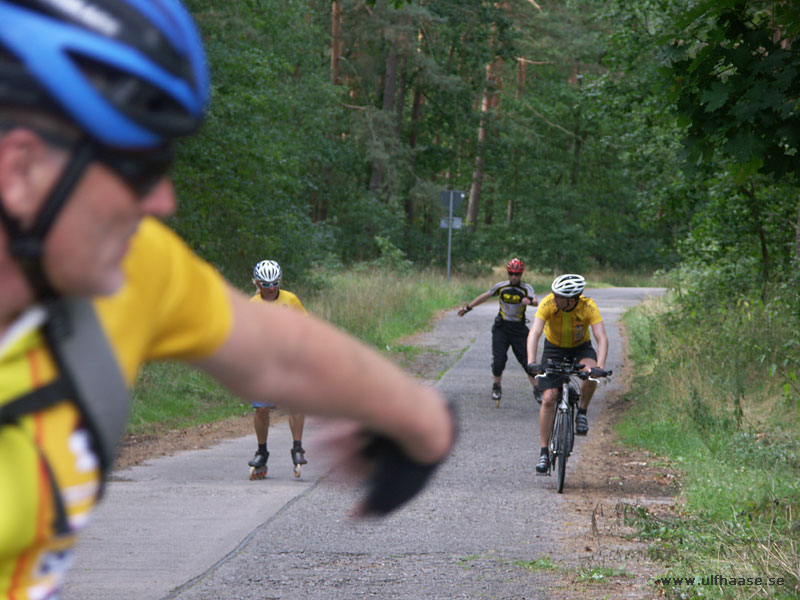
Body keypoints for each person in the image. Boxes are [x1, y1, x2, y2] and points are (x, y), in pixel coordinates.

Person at [0, 3, 455, 599]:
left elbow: (279, 351)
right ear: (20, 169)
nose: (162, 202)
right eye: (137, 168)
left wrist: (418, 417)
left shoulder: (131, 265)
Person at [525, 274, 609, 474]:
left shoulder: (588, 307)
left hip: (580, 348)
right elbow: (535, 333)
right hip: (554, 348)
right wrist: (531, 362)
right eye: (554, 294)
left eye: (559, 296)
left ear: (572, 299)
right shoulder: (548, 304)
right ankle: (544, 452)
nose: (554, 298)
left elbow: (602, 337)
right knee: (548, 398)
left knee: (590, 373)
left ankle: (582, 412)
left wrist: (600, 365)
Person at [248, 259, 308, 478]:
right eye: (265, 284)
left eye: (274, 283)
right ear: (257, 283)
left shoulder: (290, 299)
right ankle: (261, 452)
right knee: (262, 408)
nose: (271, 288)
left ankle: (297, 448)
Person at [457, 258, 541, 404]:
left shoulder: (526, 288)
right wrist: (468, 307)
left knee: (527, 361)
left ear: (521, 275)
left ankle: (537, 389)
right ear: (508, 273)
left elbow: (535, 301)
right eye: (511, 274)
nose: (514, 277)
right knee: (499, 361)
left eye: (517, 274)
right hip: (501, 328)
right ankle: (496, 386)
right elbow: (485, 296)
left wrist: (530, 301)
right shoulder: (501, 287)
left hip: (518, 329)